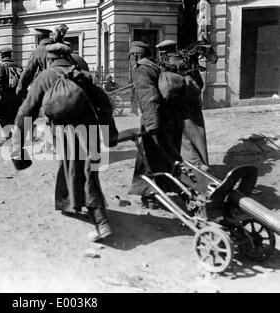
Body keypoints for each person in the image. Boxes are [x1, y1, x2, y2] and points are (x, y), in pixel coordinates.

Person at [13, 43, 119, 241]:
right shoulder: (83, 76)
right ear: (68, 57)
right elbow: (104, 103)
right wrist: (110, 132)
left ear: (50, 59)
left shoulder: (44, 77)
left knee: (82, 171)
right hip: (90, 128)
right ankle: (68, 202)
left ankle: (101, 221)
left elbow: (26, 112)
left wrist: (18, 147)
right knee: (83, 167)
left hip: (64, 132)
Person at [127, 41, 183, 200]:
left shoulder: (140, 69)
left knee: (153, 159)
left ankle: (152, 195)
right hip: (172, 119)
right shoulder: (156, 66)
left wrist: (152, 127)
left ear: (135, 55)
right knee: (165, 158)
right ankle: (158, 192)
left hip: (156, 120)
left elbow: (149, 97)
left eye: (130, 57)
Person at [156, 40, 209, 170]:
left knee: (183, 139)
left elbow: (164, 90)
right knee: (198, 136)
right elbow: (200, 84)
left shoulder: (163, 66)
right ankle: (203, 165)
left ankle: (193, 169)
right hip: (194, 105)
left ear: (164, 52)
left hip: (177, 108)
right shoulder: (189, 62)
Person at [0, 47, 23, 140]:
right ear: (10, 55)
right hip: (18, 98)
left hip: (5, 98)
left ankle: (10, 141)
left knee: (5, 120)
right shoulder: (18, 66)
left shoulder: (1, 66)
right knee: (15, 119)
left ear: (2, 55)